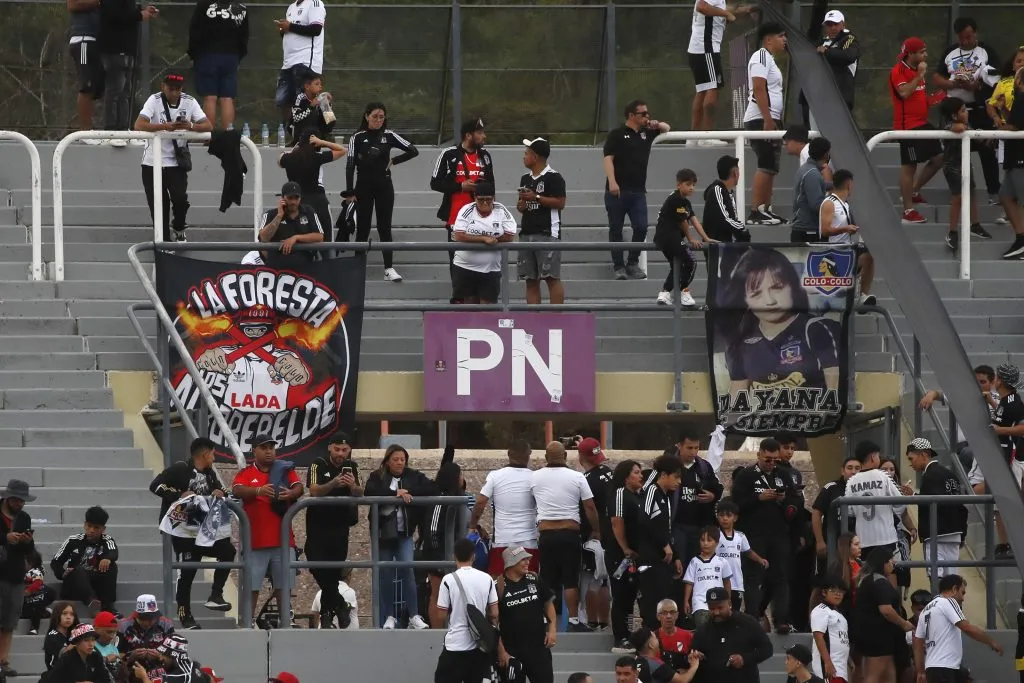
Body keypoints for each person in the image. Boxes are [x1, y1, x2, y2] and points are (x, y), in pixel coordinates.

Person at [717, 248, 844, 396]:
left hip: (814, 418)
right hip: (764, 419)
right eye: (756, 293)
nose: (770, 301)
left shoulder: (817, 329)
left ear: (792, 286)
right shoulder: (739, 343)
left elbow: (835, 396)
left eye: (777, 288)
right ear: (745, 300)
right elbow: (737, 401)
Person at [150, 436, 235, 628]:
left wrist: (220, 493)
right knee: (187, 572)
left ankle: (216, 594)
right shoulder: (180, 468)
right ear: (205, 453)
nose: (214, 458)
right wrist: (178, 496)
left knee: (228, 551)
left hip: (204, 531)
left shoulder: (210, 474)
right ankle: (185, 616)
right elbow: (155, 485)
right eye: (213, 454)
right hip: (182, 532)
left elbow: (223, 492)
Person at [730, 438, 801, 634]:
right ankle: (753, 617)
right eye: (768, 459)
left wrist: (785, 501)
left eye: (775, 460)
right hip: (754, 534)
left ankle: (781, 619)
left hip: (778, 533)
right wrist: (758, 498)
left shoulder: (784, 475)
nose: (771, 464)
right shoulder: (746, 476)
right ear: (759, 455)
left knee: (780, 577)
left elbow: (796, 499)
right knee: (753, 577)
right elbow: (735, 503)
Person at [231, 434, 304, 621]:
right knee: (252, 586)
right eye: (264, 447)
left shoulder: (285, 469)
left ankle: (285, 625)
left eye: (271, 447)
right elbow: (237, 490)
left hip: (283, 540)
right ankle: (247, 625)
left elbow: (299, 488)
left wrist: (290, 493)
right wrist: (258, 491)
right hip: (256, 542)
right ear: (254, 450)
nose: (269, 451)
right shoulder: (246, 473)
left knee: (283, 586)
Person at [364, 444, 437, 630]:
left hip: (405, 534)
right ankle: (389, 616)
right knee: (386, 574)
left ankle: (414, 615)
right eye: (395, 459)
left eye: (402, 459)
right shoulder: (377, 476)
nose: (399, 463)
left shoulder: (413, 475)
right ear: (387, 460)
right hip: (383, 534)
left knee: (408, 571)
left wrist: (409, 493)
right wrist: (394, 494)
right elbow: (369, 492)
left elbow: (431, 488)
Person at [134, 73, 213, 242]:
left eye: (178, 89)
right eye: (171, 89)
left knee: (180, 200)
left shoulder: (190, 101)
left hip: (176, 162)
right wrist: (164, 126)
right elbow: (139, 124)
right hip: (152, 163)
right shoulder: (153, 100)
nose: (175, 93)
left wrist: (190, 125)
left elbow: (208, 125)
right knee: (158, 205)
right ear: (163, 87)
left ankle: (179, 226)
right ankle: (163, 241)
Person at [531, 441, 601, 632]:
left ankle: (548, 621)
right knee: (570, 580)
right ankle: (573, 621)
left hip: (546, 534)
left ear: (546, 458)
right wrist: (596, 529)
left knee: (547, 580)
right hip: (570, 533)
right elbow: (589, 507)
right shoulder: (577, 477)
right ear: (565, 457)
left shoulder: (534, 477)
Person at [346, 102, 419, 282]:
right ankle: (357, 267)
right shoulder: (357, 137)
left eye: (381, 117)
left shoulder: (389, 135)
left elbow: (413, 150)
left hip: (384, 186)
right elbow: (350, 165)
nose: (378, 120)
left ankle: (389, 268)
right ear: (366, 116)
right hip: (363, 186)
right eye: (375, 116)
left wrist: (394, 160)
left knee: (384, 227)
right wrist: (350, 191)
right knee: (362, 228)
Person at [933, 17, 1001, 203]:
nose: (965, 41)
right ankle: (959, 192)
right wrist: (950, 83)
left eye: (968, 37)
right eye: (962, 38)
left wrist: (975, 86)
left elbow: (996, 78)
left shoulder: (986, 51)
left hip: (979, 108)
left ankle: (993, 192)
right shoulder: (950, 52)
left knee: (987, 150)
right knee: (954, 152)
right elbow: (937, 76)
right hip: (954, 108)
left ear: (975, 33)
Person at [603, 99, 672, 280]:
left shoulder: (646, 133)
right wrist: (612, 182)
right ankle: (619, 266)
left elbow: (667, 128)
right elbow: (608, 158)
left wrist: (655, 123)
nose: (647, 117)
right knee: (616, 229)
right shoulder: (617, 134)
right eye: (643, 114)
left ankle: (632, 263)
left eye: (648, 113)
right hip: (618, 191)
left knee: (641, 228)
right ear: (631, 115)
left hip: (638, 191)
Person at [305, 431, 362, 629]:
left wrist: (352, 485)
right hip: (318, 526)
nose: (340, 453)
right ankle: (340, 604)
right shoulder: (318, 463)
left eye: (344, 450)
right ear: (330, 447)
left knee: (333, 570)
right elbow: (314, 490)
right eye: (337, 449)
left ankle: (327, 613)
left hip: (340, 527)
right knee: (316, 565)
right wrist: (334, 483)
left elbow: (361, 492)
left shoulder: (352, 466)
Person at [889, 37, 946, 225]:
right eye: (921, 52)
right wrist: (919, 76)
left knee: (939, 157)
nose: (925, 55)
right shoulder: (899, 71)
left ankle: (914, 190)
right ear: (910, 54)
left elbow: (919, 99)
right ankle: (908, 210)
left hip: (922, 122)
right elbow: (904, 93)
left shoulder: (915, 71)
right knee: (909, 165)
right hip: (908, 127)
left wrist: (937, 98)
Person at [431, 118, 495, 280]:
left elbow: (492, 186)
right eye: (480, 133)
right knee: (456, 260)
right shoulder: (448, 154)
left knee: (480, 259)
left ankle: (478, 296)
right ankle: (458, 296)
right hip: (455, 218)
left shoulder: (485, 156)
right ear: (468, 135)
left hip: (481, 218)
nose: (484, 136)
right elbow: (435, 183)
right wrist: (460, 187)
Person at [913, 574, 1003, 682]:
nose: (963, 598)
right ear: (954, 589)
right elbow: (967, 628)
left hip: (931, 669)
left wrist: (921, 672)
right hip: (946, 667)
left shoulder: (926, 610)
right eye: (962, 592)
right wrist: (992, 642)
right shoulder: (948, 601)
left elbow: (918, 642)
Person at [432, 538, 499, 683]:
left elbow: (441, 615)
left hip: (455, 644)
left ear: (454, 556)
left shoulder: (448, 580)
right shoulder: (487, 579)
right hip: (479, 645)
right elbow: (494, 613)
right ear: (473, 556)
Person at [469, 439, 539, 576]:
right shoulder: (535, 477)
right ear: (529, 454)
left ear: (508, 454)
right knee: (531, 587)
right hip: (529, 542)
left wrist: (472, 525)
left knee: (498, 585)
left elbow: (480, 502)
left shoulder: (495, 476)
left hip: (502, 541)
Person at [743, 22, 788, 226]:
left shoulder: (771, 60)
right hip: (760, 118)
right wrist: (768, 119)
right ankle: (755, 211)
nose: (784, 39)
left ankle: (766, 209)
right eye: (781, 36)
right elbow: (759, 88)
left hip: (771, 118)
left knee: (772, 165)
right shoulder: (760, 56)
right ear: (768, 39)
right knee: (765, 162)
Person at [687, 0, 753, 139]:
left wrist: (747, 9)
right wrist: (726, 14)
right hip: (706, 48)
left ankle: (693, 137)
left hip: (699, 48)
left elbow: (721, 8)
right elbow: (702, 7)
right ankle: (707, 136)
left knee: (703, 90)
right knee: (713, 88)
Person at [906, 438, 968, 579]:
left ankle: (941, 601)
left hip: (937, 533)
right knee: (952, 579)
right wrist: (962, 533)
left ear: (923, 455)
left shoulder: (929, 476)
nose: (911, 464)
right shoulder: (950, 475)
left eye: (912, 458)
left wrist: (914, 496)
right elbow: (960, 506)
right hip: (954, 533)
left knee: (936, 578)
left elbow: (933, 502)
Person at [98, 0, 157, 145]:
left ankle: (124, 130)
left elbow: (126, 11)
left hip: (128, 49)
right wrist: (139, 14)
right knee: (115, 90)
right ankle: (111, 131)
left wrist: (141, 11)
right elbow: (116, 14)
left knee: (126, 91)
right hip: (114, 48)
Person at [851, 547, 914, 683]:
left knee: (888, 673)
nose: (893, 563)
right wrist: (904, 624)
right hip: (877, 636)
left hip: (878, 636)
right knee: (874, 675)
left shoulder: (868, 580)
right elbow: (886, 610)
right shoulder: (878, 582)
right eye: (891, 560)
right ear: (883, 563)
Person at [653, 169, 715, 307]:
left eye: (693, 184)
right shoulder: (675, 199)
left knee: (677, 266)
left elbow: (694, 220)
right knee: (691, 261)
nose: (691, 187)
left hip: (669, 238)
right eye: (688, 184)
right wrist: (691, 238)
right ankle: (682, 291)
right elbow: (683, 222)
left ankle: (665, 293)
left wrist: (706, 237)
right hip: (669, 238)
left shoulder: (685, 202)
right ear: (678, 185)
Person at [517, 137, 567, 305]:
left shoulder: (554, 177)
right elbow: (523, 206)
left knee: (551, 278)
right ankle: (534, 321)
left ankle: (556, 321)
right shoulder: (525, 178)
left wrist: (536, 197)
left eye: (526, 153)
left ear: (535, 157)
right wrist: (522, 205)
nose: (524, 157)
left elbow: (560, 203)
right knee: (530, 280)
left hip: (547, 233)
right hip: (526, 233)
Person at [496, 546, 557, 683]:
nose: (527, 562)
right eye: (522, 559)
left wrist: (552, 630)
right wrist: (501, 651)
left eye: (527, 559)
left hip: (539, 649)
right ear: (511, 563)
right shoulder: (497, 586)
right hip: (511, 652)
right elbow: (493, 622)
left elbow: (548, 603)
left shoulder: (534, 579)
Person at [450, 183, 518, 305]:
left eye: (489, 200)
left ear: (494, 198)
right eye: (481, 200)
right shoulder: (467, 210)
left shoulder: (501, 210)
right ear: (475, 198)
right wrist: (483, 239)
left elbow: (510, 235)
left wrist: (495, 240)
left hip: (491, 269)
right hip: (465, 266)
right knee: (469, 306)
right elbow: (459, 235)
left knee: (489, 308)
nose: (485, 203)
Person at [690, 586, 773, 683]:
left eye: (720, 607)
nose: (716, 612)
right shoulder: (703, 630)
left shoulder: (747, 623)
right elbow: (693, 653)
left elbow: (767, 649)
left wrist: (744, 659)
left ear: (729, 604)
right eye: (712, 608)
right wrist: (696, 656)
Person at [638, 454, 684, 629]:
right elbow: (644, 519)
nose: (678, 482)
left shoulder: (666, 497)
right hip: (650, 557)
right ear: (664, 475)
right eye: (676, 477)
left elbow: (667, 529)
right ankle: (648, 641)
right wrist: (664, 544)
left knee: (665, 596)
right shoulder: (652, 491)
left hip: (663, 559)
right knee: (651, 601)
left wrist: (676, 556)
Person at [939, 97, 990, 252]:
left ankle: (975, 225)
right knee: (957, 197)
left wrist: (983, 136)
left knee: (971, 193)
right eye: (962, 110)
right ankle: (952, 232)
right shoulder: (947, 124)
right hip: (951, 166)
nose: (966, 112)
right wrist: (956, 126)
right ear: (954, 115)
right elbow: (950, 128)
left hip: (966, 163)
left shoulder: (967, 124)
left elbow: (979, 141)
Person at [188, 0, 249, 129]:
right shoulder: (240, 6)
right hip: (231, 55)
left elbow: (195, 31)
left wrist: (193, 54)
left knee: (210, 97)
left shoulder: (204, 4)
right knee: (227, 98)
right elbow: (244, 35)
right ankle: (228, 135)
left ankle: (208, 134)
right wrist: (239, 57)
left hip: (207, 55)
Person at [422, 448, 466, 627]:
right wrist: (438, 553)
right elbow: (433, 529)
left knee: (454, 594)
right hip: (438, 554)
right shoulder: (441, 498)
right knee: (438, 593)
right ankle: (437, 631)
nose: (463, 478)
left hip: (453, 554)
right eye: (460, 474)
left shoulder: (456, 496)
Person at [844, 442, 908, 564]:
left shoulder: (851, 481)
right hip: (886, 537)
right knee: (889, 572)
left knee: (868, 573)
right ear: (873, 457)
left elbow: (849, 512)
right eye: (878, 456)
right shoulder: (882, 476)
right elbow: (901, 502)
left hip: (863, 540)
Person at [819, 168, 876, 306]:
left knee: (869, 255)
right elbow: (825, 230)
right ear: (849, 184)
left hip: (847, 247)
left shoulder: (845, 204)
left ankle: (863, 295)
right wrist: (845, 228)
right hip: (833, 251)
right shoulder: (829, 203)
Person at [50, 506, 119, 613]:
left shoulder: (107, 540)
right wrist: (62, 573)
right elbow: (55, 562)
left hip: (95, 585)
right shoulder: (73, 540)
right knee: (78, 569)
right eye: (89, 526)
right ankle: (92, 602)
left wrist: (108, 558)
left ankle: (108, 606)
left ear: (103, 529)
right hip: (74, 586)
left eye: (96, 528)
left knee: (112, 566)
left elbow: (113, 552)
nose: (91, 530)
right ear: (84, 524)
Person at [608, 460, 644, 653]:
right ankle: (620, 637)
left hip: (635, 557)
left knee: (630, 597)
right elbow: (616, 521)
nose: (641, 476)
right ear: (625, 476)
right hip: (620, 556)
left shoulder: (639, 496)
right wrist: (625, 548)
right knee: (621, 597)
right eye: (636, 472)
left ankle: (628, 634)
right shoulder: (621, 494)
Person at [0, 478, 35, 678]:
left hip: (14, 573)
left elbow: (28, 550)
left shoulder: (24, 517)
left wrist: (26, 541)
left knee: (9, 620)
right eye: (17, 500)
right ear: (8, 497)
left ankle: (3, 660)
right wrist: (5, 538)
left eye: (22, 501)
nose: (20, 504)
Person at [278, 130, 346, 232]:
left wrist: (294, 150)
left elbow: (280, 160)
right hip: (318, 199)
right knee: (325, 233)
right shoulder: (318, 156)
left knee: (301, 232)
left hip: (297, 199)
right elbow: (342, 150)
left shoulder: (288, 158)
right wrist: (323, 142)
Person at [577, 437, 613, 630]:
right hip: (612, 534)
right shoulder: (609, 473)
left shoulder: (586, 480)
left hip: (594, 536)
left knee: (592, 578)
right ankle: (604, 623)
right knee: (605, 579)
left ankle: (591, 622)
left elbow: (589, 508)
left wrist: (595, 530)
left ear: (581, 456)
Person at [274, 0, 326, 127]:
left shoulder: (315, 3)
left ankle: (309, 135)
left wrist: (290, 27)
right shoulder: (291, 7)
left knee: (302, 101)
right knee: (283, 100)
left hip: (305, 60)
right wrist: (283, 29)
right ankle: (293, 133)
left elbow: (316, 29)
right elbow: (290, 32)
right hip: (288, 62)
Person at [715, 498, 768, 615]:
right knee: (720, 610)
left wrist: (760, 559)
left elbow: (748, 551)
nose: (724, 518)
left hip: (737, 582)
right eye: (721, 515)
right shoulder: (715, 535)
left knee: (734, 611)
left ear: (735, 518)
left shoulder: (740, 536)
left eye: (728, 515)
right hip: (719, 581)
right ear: (717, 517)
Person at [811, 454, 861, 572]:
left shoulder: (865, 490)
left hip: (856, 543)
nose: (853, 471)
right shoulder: (831, 488)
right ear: (842, 471)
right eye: (849, 468)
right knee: (824, 581)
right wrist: (820, 541)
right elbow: (816, 512)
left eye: (857, 468)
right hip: (832, 542)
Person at [258, 181, 326, 268]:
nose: (293, 202)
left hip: (305, 269)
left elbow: (319, 237)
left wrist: (296, 238)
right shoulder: (270, 214)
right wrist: (279, 216)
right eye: (290, 198)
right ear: (282, 198)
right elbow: (263, 238)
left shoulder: (309, 211)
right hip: (277, 269)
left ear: (300, 198)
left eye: (296, 198)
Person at [682, 526, 732, 628]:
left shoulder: (722, 562)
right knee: (703, 627)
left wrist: (728, 598)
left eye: (709, 540)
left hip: (718, 602)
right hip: (700, 602)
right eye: (702, 540)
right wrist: (686, 601)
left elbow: (727, 582)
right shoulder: (694, 562)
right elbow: (689, 583)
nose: (705, 543)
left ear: (717, 543)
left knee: (719, 628)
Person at [68, 0, 104, 134]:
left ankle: (92, 126)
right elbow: (72, 5)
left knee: (98, 85)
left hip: (94, 41)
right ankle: (85, 131)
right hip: (82, 39)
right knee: (86, 86)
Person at [702, 156, 751, 244]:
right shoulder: (717, 190)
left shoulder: (728, 193)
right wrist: (742, 229)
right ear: (735, 173)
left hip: (726, 245)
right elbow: (725, 219)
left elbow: (732, 219)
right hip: (717, 246)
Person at [791, 137, 832, 243]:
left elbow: (819, 185)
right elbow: (817, 205)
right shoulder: (812, 174)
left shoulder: (805, 169)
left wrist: (836, 185)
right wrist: (836, 202)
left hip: (804, 229)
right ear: (825, 154)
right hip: (808, 231)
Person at [810, 574, 850, 683]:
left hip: (841, 667)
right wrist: (827, 662)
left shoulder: (839, 614)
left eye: (841, 592)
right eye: (833, 590)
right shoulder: (820, 610)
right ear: (824, 592)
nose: (838, 594)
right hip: (829, 668)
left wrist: (849, 661)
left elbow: (841, 639)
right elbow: (818, 636)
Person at [49, 623, 117, 683]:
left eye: (93, 640)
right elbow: (53, 680)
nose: (91, 644)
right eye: (86, 640)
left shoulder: (96, 656)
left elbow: (106, 679)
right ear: (77, 642)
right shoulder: (66, 658)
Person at [630, 626, 701, 683]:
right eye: (655, 638)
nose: (658, 640)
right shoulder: (655, 664)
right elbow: (683, 680)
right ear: (651, 645)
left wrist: (677, 672)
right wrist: (694, 665)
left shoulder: (635, 662)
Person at [992, 362, 1024, 486]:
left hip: (1010, 455)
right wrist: (991, 401)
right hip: (1003, 452)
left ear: (999, 381)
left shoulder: (1014, 402)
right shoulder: (1006, 400)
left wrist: (1000, 430)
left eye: (996, 376)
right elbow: (1006, 417)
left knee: (1009, 491)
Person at [44, 601, 80, 673]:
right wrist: (79, 641)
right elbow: (64, 654)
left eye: (72, 614)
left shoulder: (72, 634)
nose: (68, 617)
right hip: (55, 676)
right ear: (57, 615)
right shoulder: (52, 636)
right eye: (64, 613)